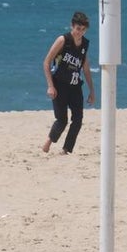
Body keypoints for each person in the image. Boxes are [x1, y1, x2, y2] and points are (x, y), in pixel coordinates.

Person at [42, 11, 96, 154]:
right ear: (72, 26)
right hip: (59, 85)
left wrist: (92, 91)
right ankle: (48, 142)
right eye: (78, 29)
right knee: (62, 120)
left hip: (75, 86)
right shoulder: (63, 40)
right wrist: (50, 86)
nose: (80, 32)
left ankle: (66, 149)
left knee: (78, 119)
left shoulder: (84, 44)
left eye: (83, 30)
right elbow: (46, 62)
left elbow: (85, 68)